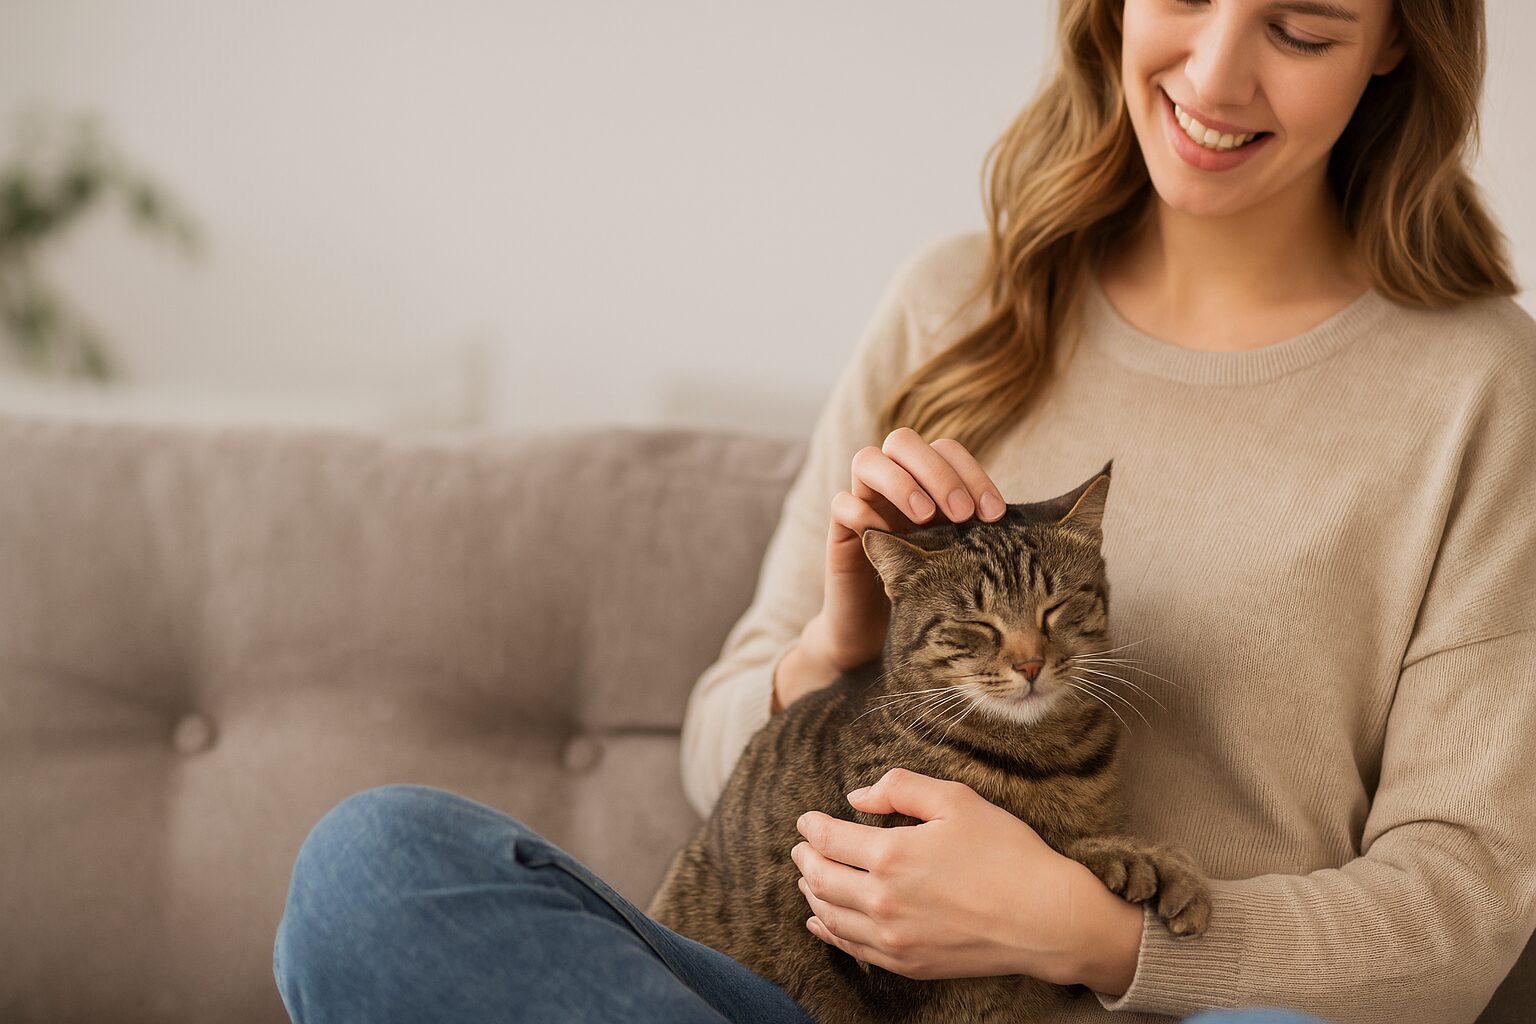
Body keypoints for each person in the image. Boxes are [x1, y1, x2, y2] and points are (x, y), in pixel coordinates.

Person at [273, 0, 1535, 1021]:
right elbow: (720, 751)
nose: (1215, 73)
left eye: (1301, 29)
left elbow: (1464, 907)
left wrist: (1090, 933)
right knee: (374, 866)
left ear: (1393, 48)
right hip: (816, 1005)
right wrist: (835, 653)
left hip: (1178, 1012)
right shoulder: (952, 305)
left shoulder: (1477, 386)